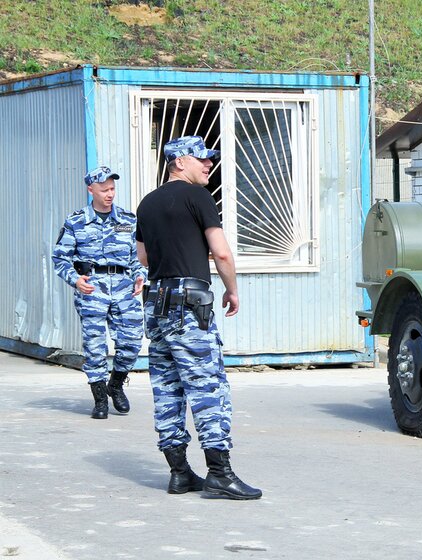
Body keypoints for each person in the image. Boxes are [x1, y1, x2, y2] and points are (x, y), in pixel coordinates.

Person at [135, 135, 262, 500]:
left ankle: (179, 473)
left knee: (167, 388)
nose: (209, 164)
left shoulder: (146, 204)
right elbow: (221, 253)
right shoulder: (197, 197)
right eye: (202, 159)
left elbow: (144, 259)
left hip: (156, 304)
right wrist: (232, 289)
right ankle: (220, 473)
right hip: (190, 304)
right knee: (207, 387)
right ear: (179, 162)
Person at [52, 166, 146, 420]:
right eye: (104, 189)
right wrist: (75, 279)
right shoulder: (76, 221)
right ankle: (100, 399)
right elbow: (60, 259)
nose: (110, 194)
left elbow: (137, 257)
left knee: (132, 342)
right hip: (92, 288)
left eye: (113, 189)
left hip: (124, 288)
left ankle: (115, 384)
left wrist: (140, 275)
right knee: (95, 346)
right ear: (90, 189)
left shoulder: (127, 220)